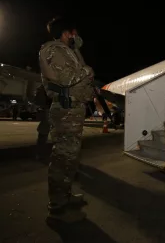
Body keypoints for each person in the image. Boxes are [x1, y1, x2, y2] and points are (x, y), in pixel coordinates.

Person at [39, 16, 95, 223]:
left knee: (70, 158)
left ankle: (65, 195)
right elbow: (66, 78)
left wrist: (77, 50)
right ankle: (57, 208)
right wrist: (88, 71)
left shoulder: (67, 51)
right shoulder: (52, 49)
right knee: (62, 158)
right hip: (65, 110)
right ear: (66, 33)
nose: (76, 37)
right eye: (74, 33)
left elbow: (77, 73)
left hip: (72, 110)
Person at [34, 84, 52, 160]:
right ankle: (40, 153)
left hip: (51, 108)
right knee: (44, 130)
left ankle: (40, 153)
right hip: (49, 108)